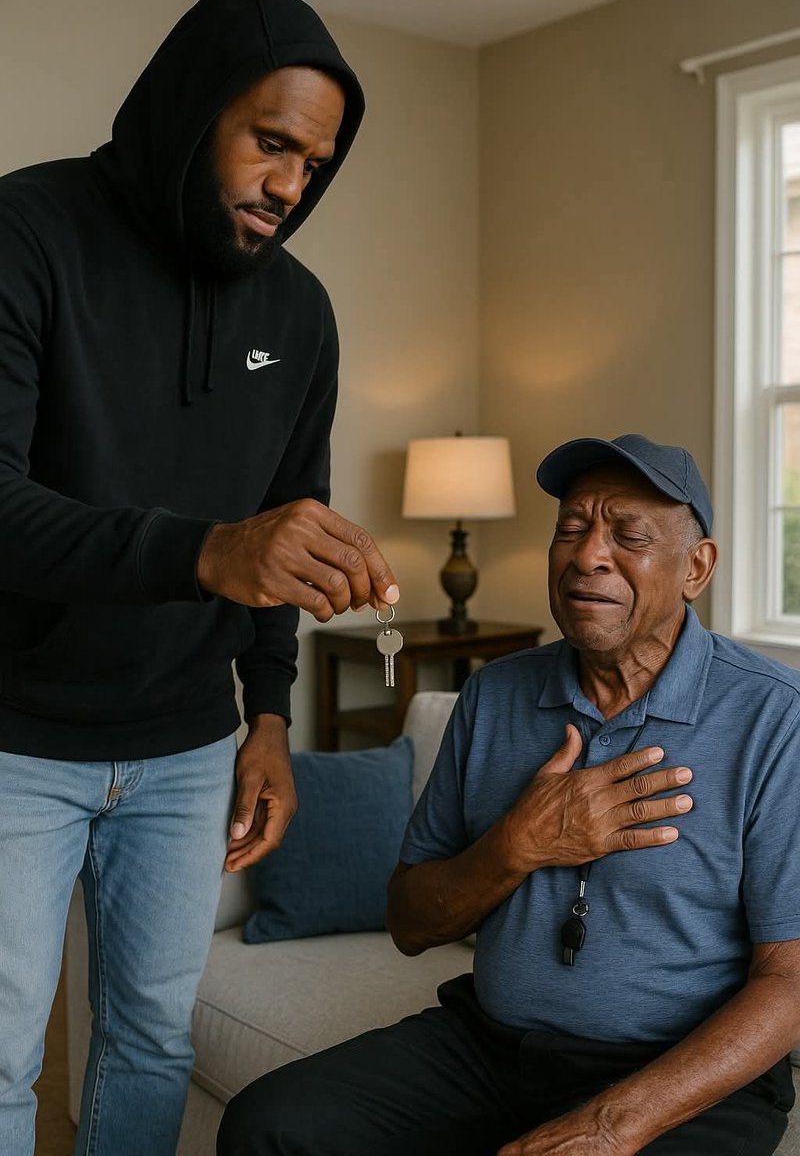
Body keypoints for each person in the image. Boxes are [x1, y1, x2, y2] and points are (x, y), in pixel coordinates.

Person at [0, 0, 399, 1156]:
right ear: (188, 111)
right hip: (16, 736)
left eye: (313, 163)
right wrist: (206, 551)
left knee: (152, 1044)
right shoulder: (28, 233)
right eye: (269, 142)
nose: (290, 186)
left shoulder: (303, 313)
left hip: (186, 750)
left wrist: (265, 716)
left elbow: (291, 524)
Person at [218, 433, 800, 1156]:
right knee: (270, 1126)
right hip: (490, 1049)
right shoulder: (495, 696)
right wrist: (517, 845)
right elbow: (409, 922)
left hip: (678, 1075)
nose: (589, 555)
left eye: (629, 535)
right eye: (571, 528)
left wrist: (609, 1126)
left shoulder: (776, 717)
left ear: (696, 568)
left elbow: (790, 981)